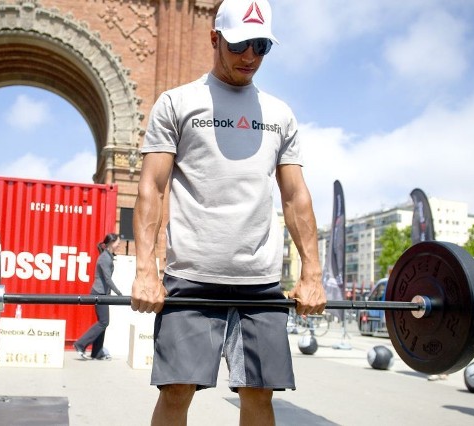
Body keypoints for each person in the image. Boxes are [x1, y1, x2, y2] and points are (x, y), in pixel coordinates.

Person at [130, 1, 326, 424]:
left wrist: (312, 274)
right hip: (191, 277)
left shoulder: (280, 114)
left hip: (260, 282)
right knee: (177, 391)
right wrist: (146, 270)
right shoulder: (177, 103)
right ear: (215, 38)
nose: (250, 56)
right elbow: (153, 188)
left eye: (261, 46)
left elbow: (295, 196)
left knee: (259, 395)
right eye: (239, 44)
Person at [73, 233, 123, 360]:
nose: (119, 244)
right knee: (104, 322)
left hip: (103, 294)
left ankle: (97, 352)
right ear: (111, 243)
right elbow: (107, 279)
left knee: (103, 322)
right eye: (118, 242)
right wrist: (119, 293)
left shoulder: (108, 256)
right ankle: (80, 344)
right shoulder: (105, 258)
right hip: (99, 294)